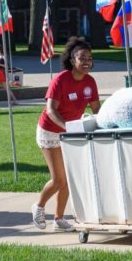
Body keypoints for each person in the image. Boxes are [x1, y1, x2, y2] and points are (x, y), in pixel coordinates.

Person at [32, 37, 100, 232]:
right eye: (82, 58)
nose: (86, 61)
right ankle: (38, 206)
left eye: (89, 58)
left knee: (69, 178)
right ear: (72, 60)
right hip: (50, 131)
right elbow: (51, 110)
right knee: (59, 179)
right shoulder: (61, 79)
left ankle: (59, 219)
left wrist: (105, 125)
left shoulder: (90, 82)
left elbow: (96, 109)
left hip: (72, 133)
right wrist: (67, 127)